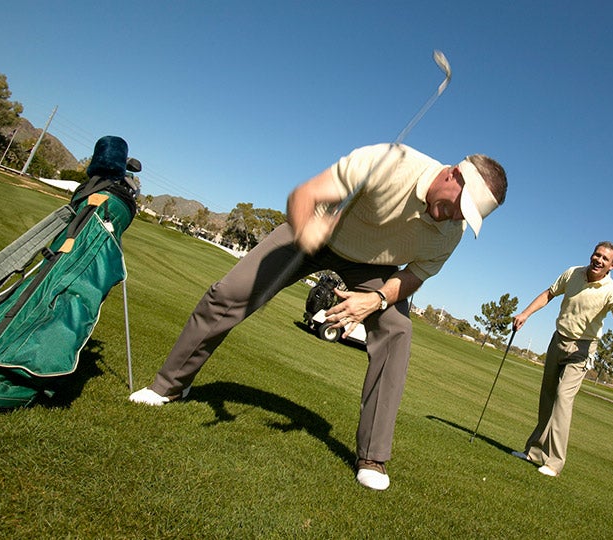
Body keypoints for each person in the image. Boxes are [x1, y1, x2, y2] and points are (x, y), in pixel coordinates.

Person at [128, 143, 508, 491]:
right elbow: (304, 195)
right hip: (317, 232)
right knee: (230, 293)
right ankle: (171, 384)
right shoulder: (391, 161)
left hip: (373, 268)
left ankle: (373, 457)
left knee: (397, 330)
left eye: (469, 215)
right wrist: (309, 231)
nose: (458, 216)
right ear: (453, 174)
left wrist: (375, 300)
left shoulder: (451, 233)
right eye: (463, 204)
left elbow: (413, 276)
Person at [510, 241, 613, 477]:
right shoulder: (573, 273)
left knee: (563, 399)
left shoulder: (612, 291)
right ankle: (533, 452)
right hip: (558, 339)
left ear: (612, 266)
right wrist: (525, 313)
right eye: (597, 255)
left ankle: (554, 463)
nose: (599, 260)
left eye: (605, 259)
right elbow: (549, 294)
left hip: (583, 348)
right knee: (547, 398)